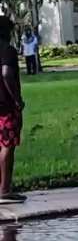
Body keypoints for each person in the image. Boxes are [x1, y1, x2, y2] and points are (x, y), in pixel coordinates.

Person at [0, 18, 25, 203]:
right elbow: (7, 74)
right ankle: (5, 190)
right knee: (7, 146)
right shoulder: (7, 50)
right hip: (6, 106)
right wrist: (17, 99)